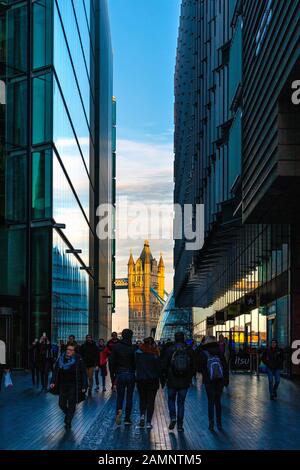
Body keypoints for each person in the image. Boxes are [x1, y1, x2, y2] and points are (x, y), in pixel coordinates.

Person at [161, 331, 195, 432]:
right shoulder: (188, 350)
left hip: (172, 381)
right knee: (181, 403)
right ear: (183, 338)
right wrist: (189, 377)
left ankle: (173, 418)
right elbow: (193, 366)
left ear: (175, 338)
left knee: (171, 400)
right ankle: (180, 425)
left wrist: (164, 378)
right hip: (184, 381)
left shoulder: (170, 349)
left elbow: (164, 365)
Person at [50, 344, 87, 429]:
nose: (68, 351)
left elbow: (83, 373)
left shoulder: (78, 359)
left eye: (71, 350)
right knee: (61, 404)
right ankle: (68, 414)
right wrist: (53, 381)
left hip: (74, 385)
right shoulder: (61, 358)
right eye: (67, 349)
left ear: (74, 352)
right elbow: (56, 371)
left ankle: (68, 421)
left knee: (71, 404)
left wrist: (84, 385)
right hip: (62, 384)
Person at [197, 335, 229, 431]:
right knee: (218, 402)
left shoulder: (204, 352)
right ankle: (219, 424)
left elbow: (198, 367)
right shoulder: (219, 352)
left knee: (210, 402)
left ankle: (211, 423)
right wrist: (226, 381)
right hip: (219, 380)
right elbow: (225, 366)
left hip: (208, 381)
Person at [110, 329, 136, 425]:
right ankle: (127, 418)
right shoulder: (133, 348)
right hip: (130, 374)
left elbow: (112, 362)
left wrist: (113, 377)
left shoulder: (116, 347)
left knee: (120, 397)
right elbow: (135, 363)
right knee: (129, 397)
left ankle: (119, 413)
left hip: (120, 374)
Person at [135, 337, 161, 429]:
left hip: (141, 380)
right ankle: (149, 422)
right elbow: (159, 369)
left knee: (142, 399)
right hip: (153, 381)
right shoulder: (155, 355)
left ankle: (142, 416)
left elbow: (135, 366)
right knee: (151, 401)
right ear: (152, 344)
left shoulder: (138, 354)